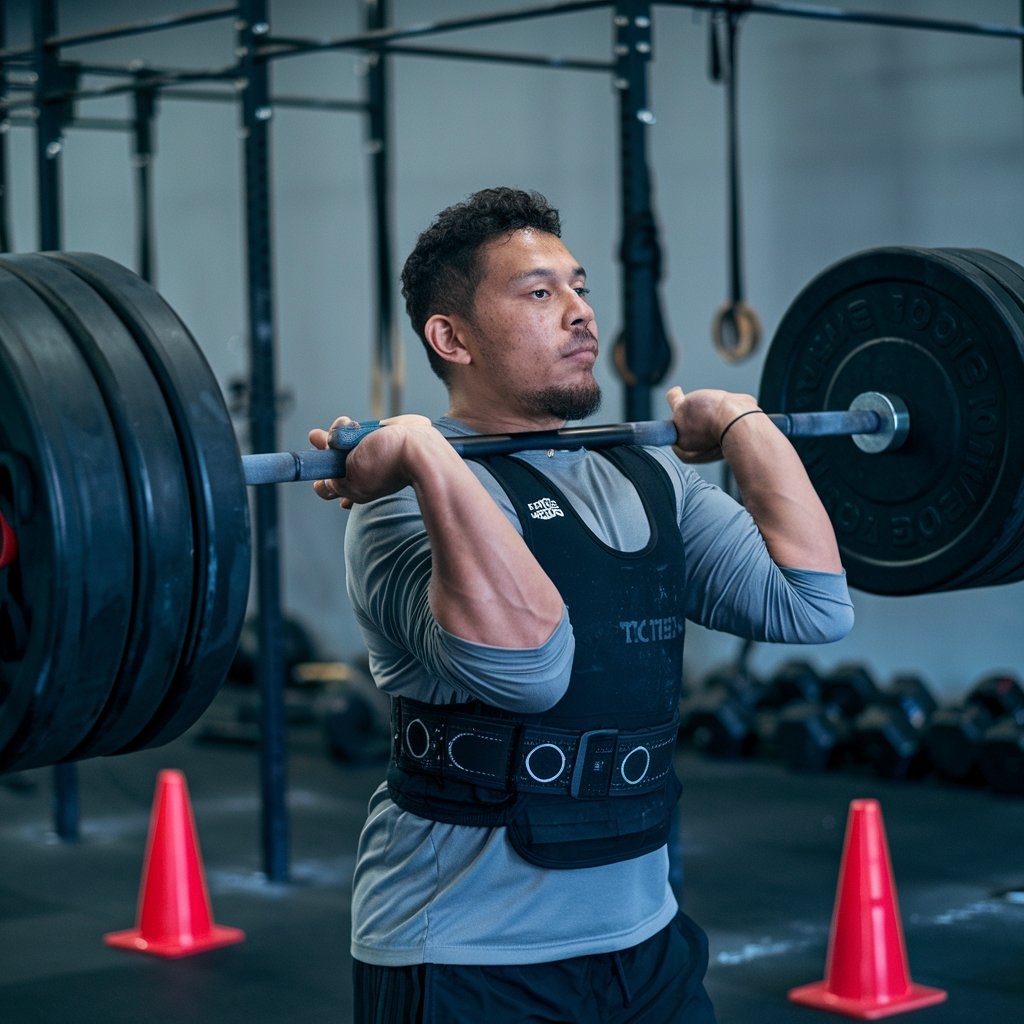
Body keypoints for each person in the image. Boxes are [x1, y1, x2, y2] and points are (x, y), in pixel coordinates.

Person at [309, 187, 854, 1023]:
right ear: (450, 338)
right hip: (463, 953)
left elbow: (810, 605)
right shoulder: (393, 503)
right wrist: (425, 448)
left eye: (580, 288)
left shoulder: (650, 473)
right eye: (539, 293)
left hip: (647, 939)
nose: (580, 315)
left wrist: (744, 422)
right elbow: (528, 669)